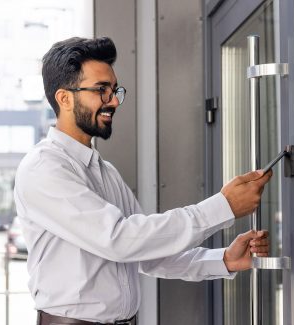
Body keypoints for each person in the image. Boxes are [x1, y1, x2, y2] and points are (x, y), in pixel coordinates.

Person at [14, 37, 272, 325]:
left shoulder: (105, 171)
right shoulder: (43, 168)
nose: (113, 101)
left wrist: (224, 260)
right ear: (65, 98)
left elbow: (145, 252)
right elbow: (120, 240)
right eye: (101, 90)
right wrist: (222, 207)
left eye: (114, 90)